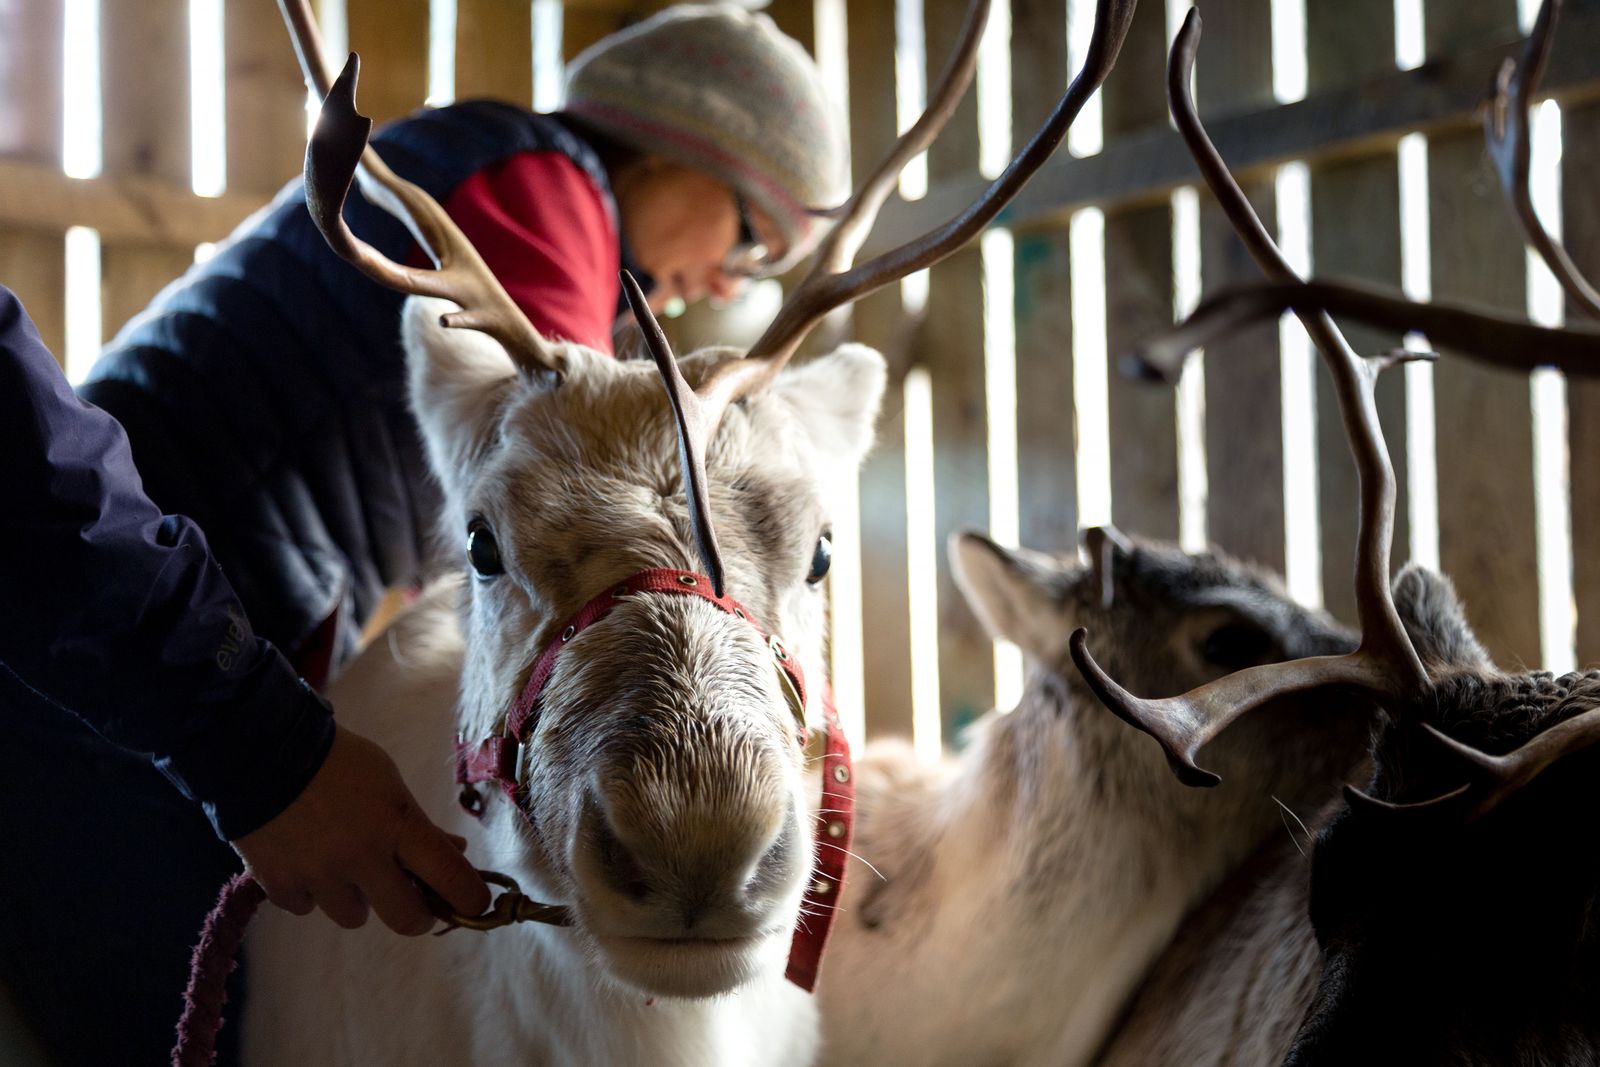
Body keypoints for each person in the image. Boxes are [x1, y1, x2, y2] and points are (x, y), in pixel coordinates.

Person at [0, 6, 845, 1064]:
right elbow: (570, 477)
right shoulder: (541, 190)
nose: (732, 279)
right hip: (94, 675)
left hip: (130, 623)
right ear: (686, 144)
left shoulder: (499, 172)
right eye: (750, 232)